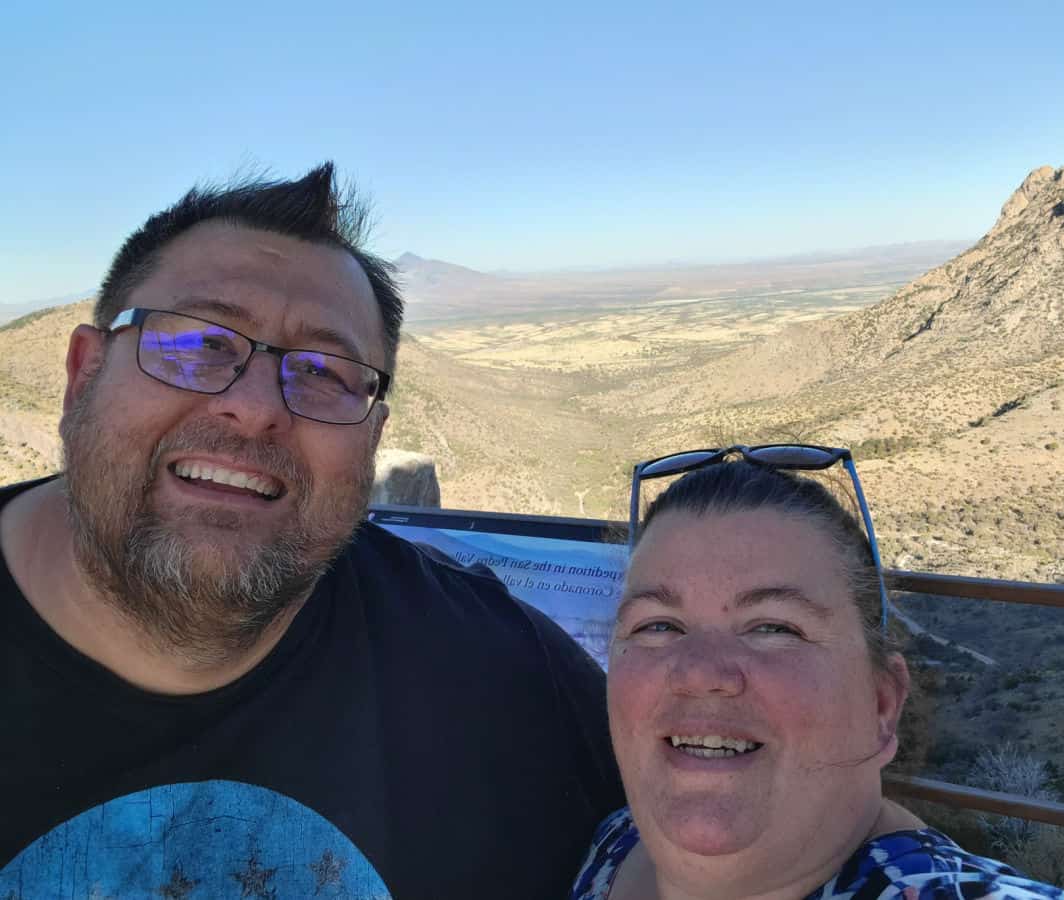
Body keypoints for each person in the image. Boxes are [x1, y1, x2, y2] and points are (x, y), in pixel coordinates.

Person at [0, 164, 623, 899]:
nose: (257, 407)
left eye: (325, 371)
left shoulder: (513, 680)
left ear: (372, 435)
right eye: (199, 344)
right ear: (83, 374)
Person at [571, 448, 1064, 900]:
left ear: (882, 705)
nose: (700, 672)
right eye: (658, 624)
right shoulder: (615, 842)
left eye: (774, 627)